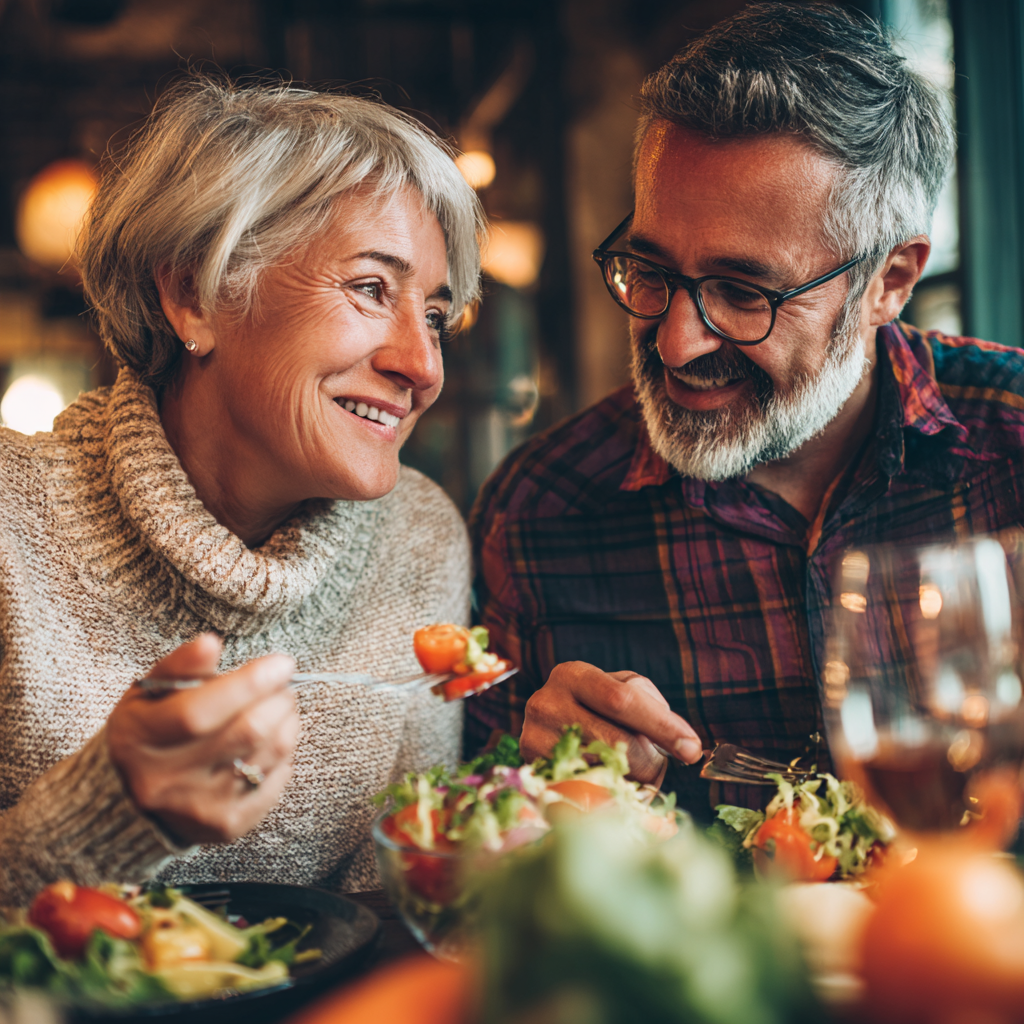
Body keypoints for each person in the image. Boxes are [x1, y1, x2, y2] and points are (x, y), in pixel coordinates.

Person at [467, 2, 1024, 816]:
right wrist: (526, 777)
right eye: (649, 269)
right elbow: (476, 875)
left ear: (890, 283)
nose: (676, 344)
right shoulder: (540, 509)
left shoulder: (1012, 443)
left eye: (742, 292)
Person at [0, 75, 485, 906]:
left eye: (435, 316)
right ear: (194, 293)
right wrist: (103, 819)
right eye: (372, 289)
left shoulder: (420, 537)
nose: (423, 366)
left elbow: (402, 905)